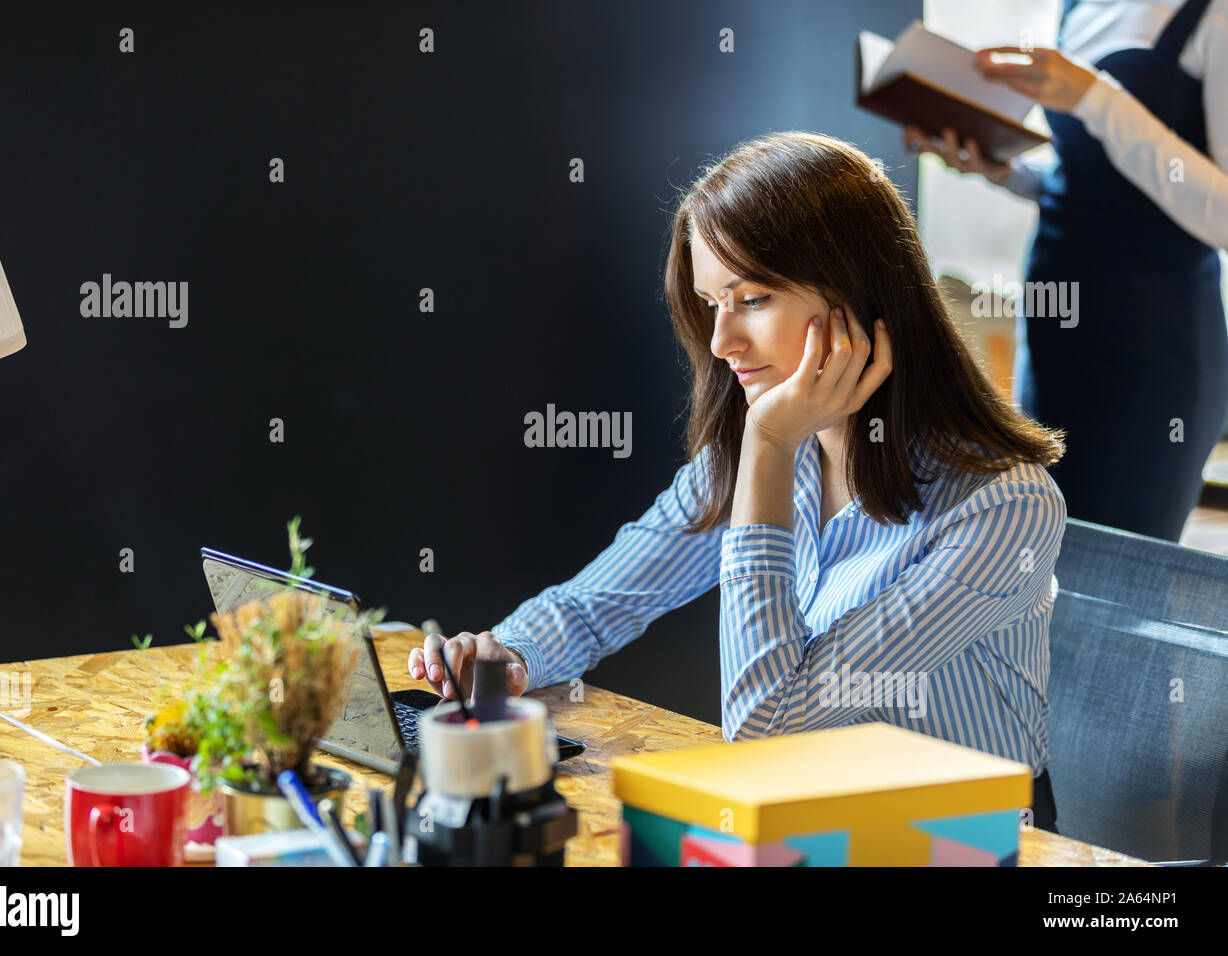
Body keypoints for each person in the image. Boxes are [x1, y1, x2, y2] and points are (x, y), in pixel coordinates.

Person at [409, 131, 1068, 830]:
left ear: (856, 294)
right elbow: (595, 606)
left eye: (751, 298)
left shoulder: (1003, 506)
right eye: (710, 301)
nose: (721, 342)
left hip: (957, 840)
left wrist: (770, 446)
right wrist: (508, 653)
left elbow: (767, 729)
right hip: (804, 825)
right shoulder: (753, 452)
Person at [906, 0, 1228, 542]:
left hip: (1154, 347)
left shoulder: (1213, 17)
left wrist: (1095, 98)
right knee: (1038, 551)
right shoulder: (1078, 8)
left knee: (1117, 576)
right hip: (1055, 328)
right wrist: (1004, 173)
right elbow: (1088, 179)